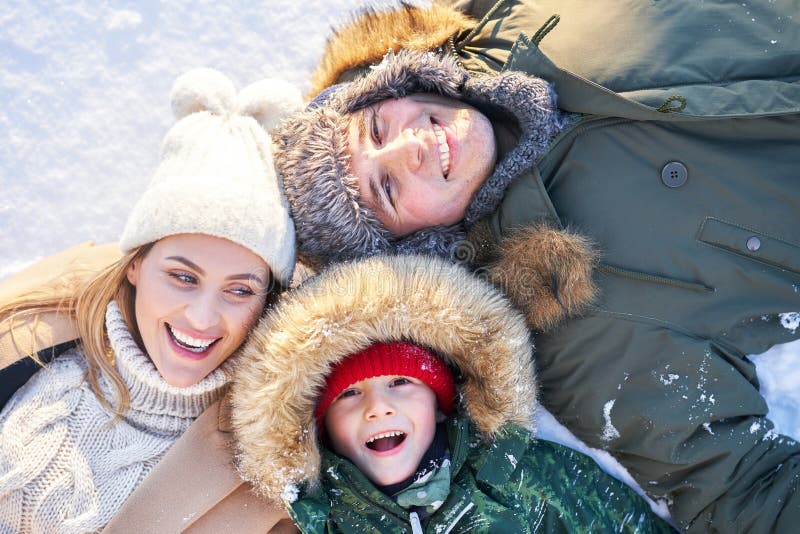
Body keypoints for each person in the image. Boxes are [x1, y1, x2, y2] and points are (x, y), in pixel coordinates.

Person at [269, 1, 800, 532]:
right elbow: (744, 489)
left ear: (389, 87)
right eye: (387, 189)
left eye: (378, 130)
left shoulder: (496, 21)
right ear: (413, 245)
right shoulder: (577, 328)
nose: (412, 146)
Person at [0, 68, 300, 532]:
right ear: (136, 265)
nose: (202, 317)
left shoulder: (271, 474)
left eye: (239, 290)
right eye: (182, 277)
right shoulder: (31, 336)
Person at [230, 254, 673, 533]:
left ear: (441, 408)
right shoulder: (320, 522)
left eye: (401, 383)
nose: (378, 407)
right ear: (319, 431)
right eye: (347, 396)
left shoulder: (521, 477)